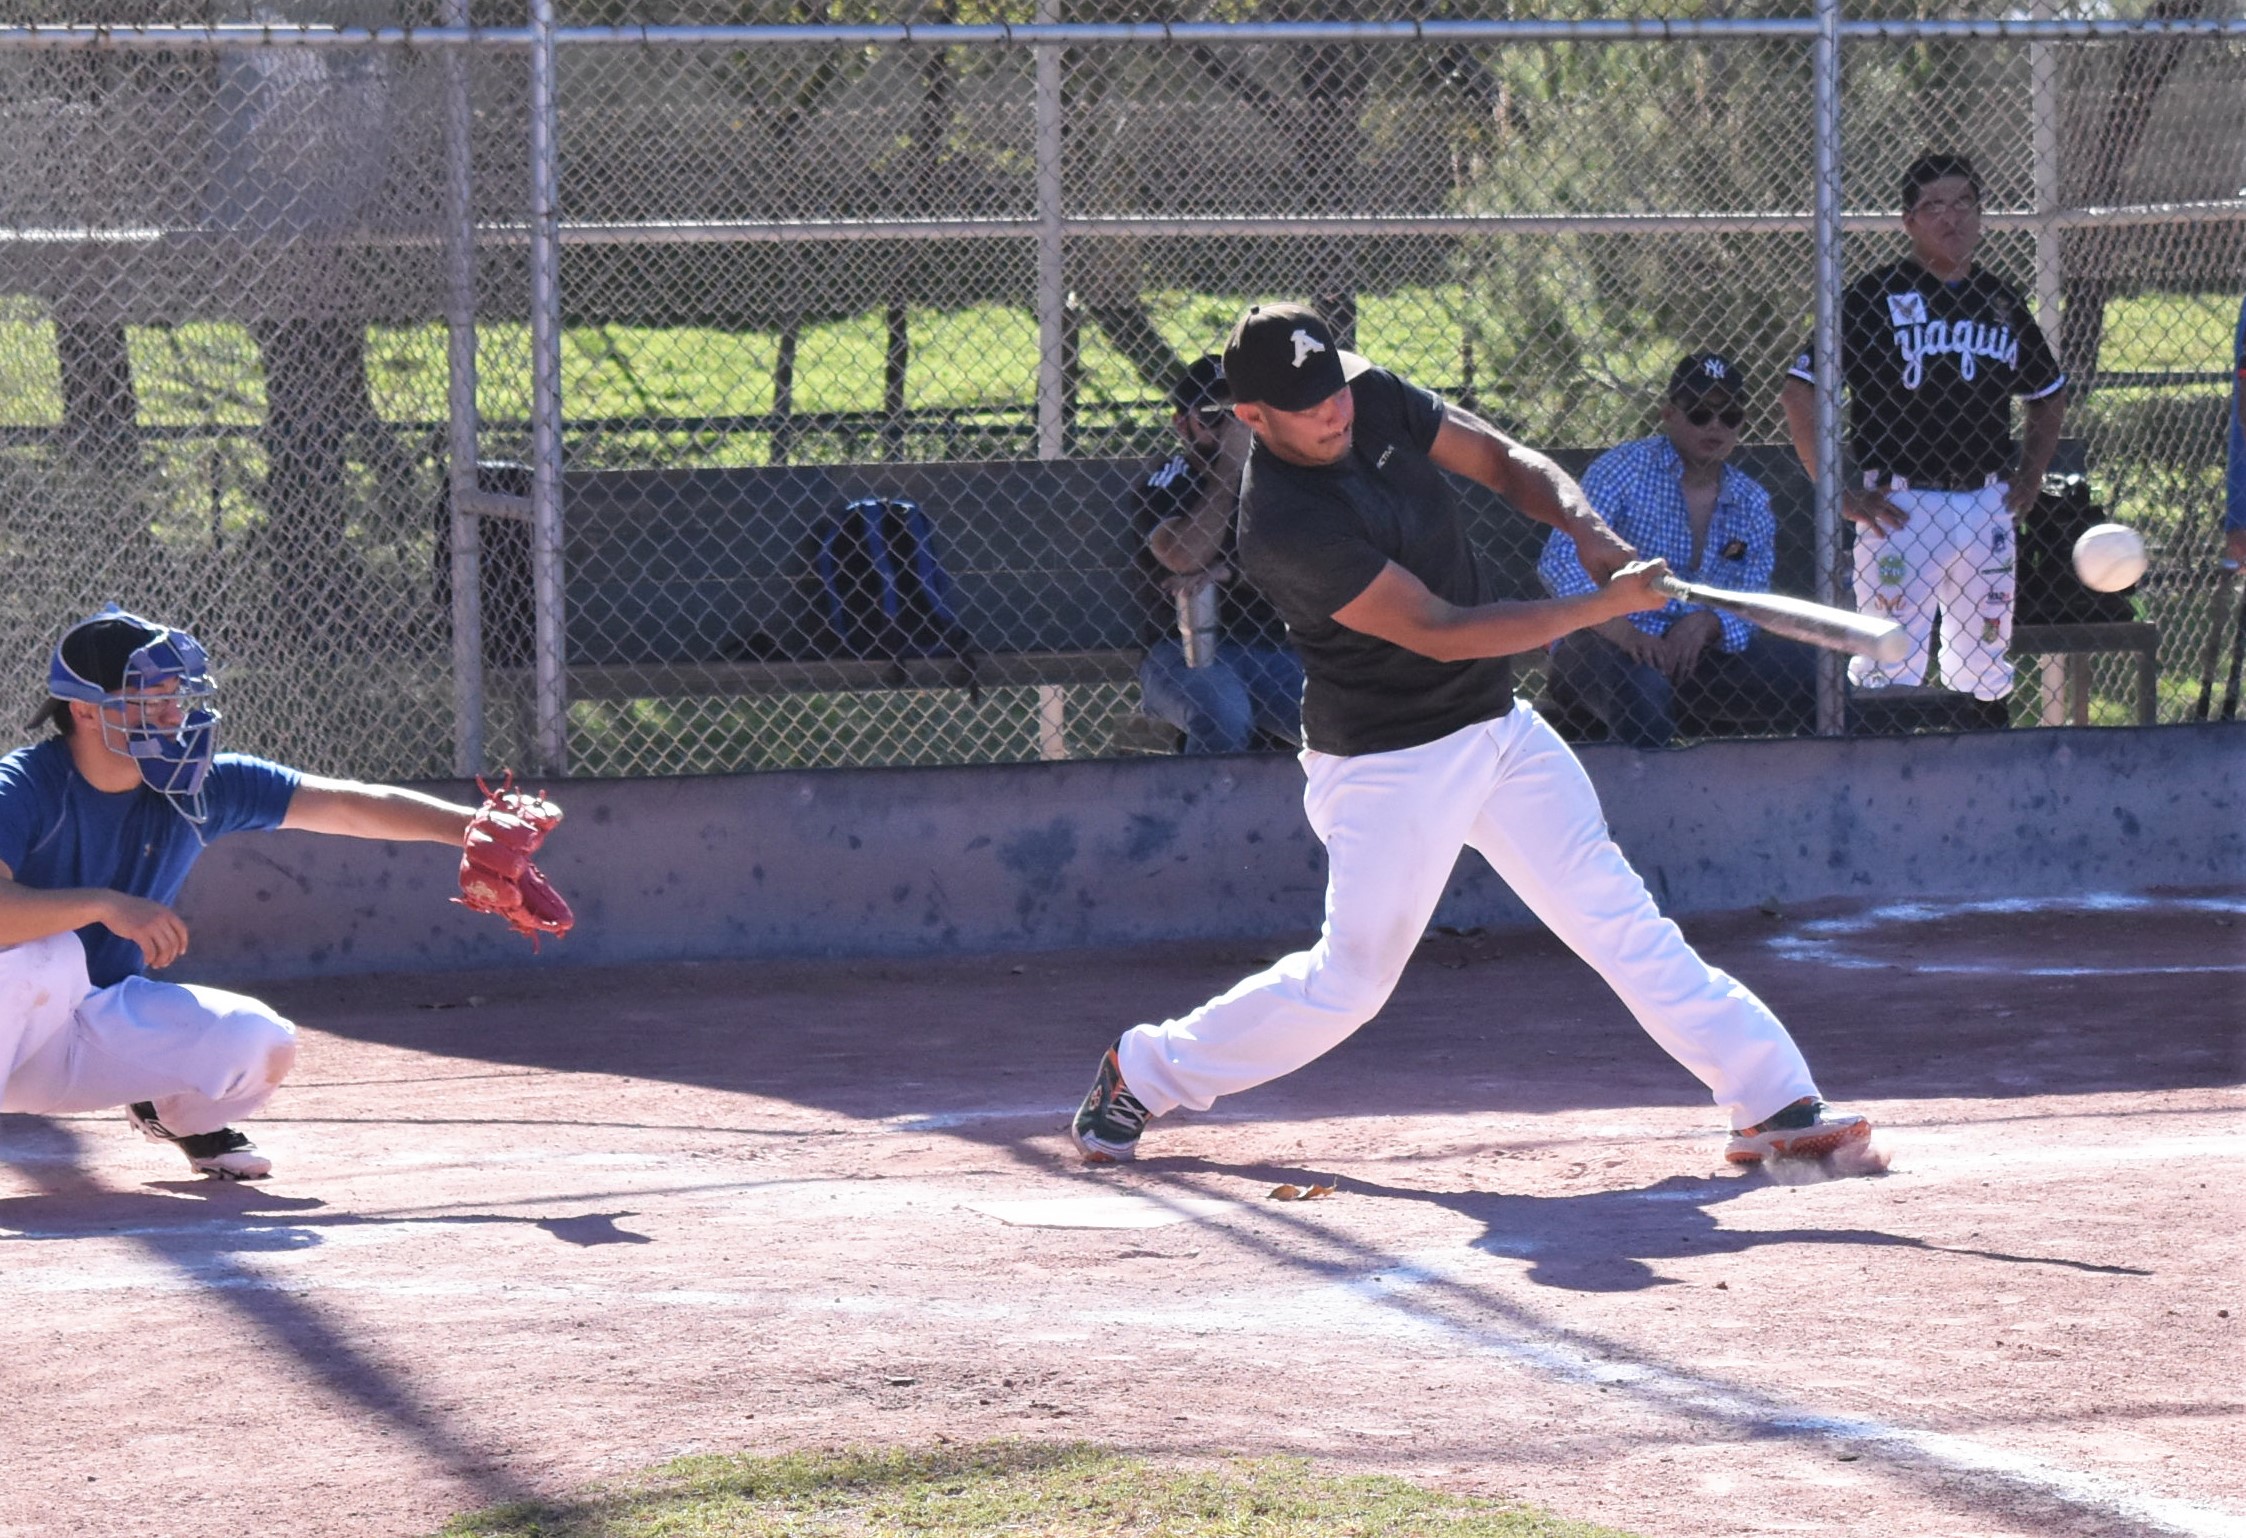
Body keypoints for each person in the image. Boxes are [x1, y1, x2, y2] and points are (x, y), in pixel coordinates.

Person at [1068, 303, 1874, 1171]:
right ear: (1252, 418)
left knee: (1618, 917)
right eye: (1305, 405)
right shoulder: (1282, 524)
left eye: (1332, 386)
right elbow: (1444, 629)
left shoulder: (1364, 392)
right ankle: (1141, 1072)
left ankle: (1771, 1101)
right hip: (1388, 760)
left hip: (1496, 726)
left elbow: (1500, 459)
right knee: (1350, 984)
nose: (1333, 409)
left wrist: (1590, 534)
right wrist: (1601, 607)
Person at [0, 606, 530, 1179]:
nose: (175, 713)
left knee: (257, 1040)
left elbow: (344, 804)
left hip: (89, 1024)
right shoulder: (23, 786)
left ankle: (178, 1114)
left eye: (177, 695)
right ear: (84, 710)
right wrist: (105, 904)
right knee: (49, 956)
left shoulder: (198, 787)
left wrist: (475, 830)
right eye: (151, 698)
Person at [1779, 152, 2068, 721]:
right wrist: (1837, 489)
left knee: (1985, 666)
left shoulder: (2002, 302)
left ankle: (1981, 774)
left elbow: (2048, 395)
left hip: (1986, 500)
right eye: (1934, 206)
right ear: (1908, 222)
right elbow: (1799, 391)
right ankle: (1883, 783)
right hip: (1901, 503)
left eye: (1964, 203)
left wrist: (2030, 474)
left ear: (1981, 215)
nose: (1952, 218)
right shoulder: (1872, 298)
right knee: (1888, 663)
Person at [1538, 352, 1817, 746]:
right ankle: (1646, 804)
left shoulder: (1752, 500)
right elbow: (1560, 561)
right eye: (1700, 413)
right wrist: (1626, 633)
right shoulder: (1622, 469)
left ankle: (1823, 797)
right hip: (1605, 643)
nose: (1716, 426)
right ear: (1669, 414)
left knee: (1817, 675)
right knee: (1641, 688)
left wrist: (1708, 624)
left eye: (1730, 416)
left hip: (1699, 657)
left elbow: (1753, 598)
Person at [1132, 355, 1304, 753]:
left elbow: (1308, 561)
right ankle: (1200, 816)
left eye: (1243, 414)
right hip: (1185, 652)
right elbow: (1182, 557)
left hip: (1277, 646)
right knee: (1223, 714)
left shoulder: (1285, 480)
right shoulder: (1168, 480)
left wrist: (1230, 572)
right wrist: (1229, 468)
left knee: (1341, 721)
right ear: (1182, 424)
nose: (1232, 427)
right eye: (1212, 415)